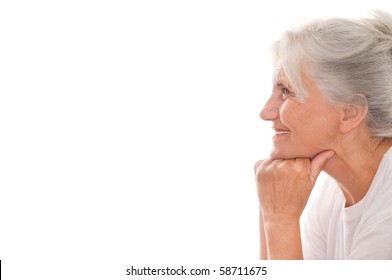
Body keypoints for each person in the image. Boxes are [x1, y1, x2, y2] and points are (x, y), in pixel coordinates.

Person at [254, 10, 392, 260]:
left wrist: (280, 219)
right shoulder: (335, 191)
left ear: (349, 113)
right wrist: (270, 208)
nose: (266, 113)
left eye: (286, 90)